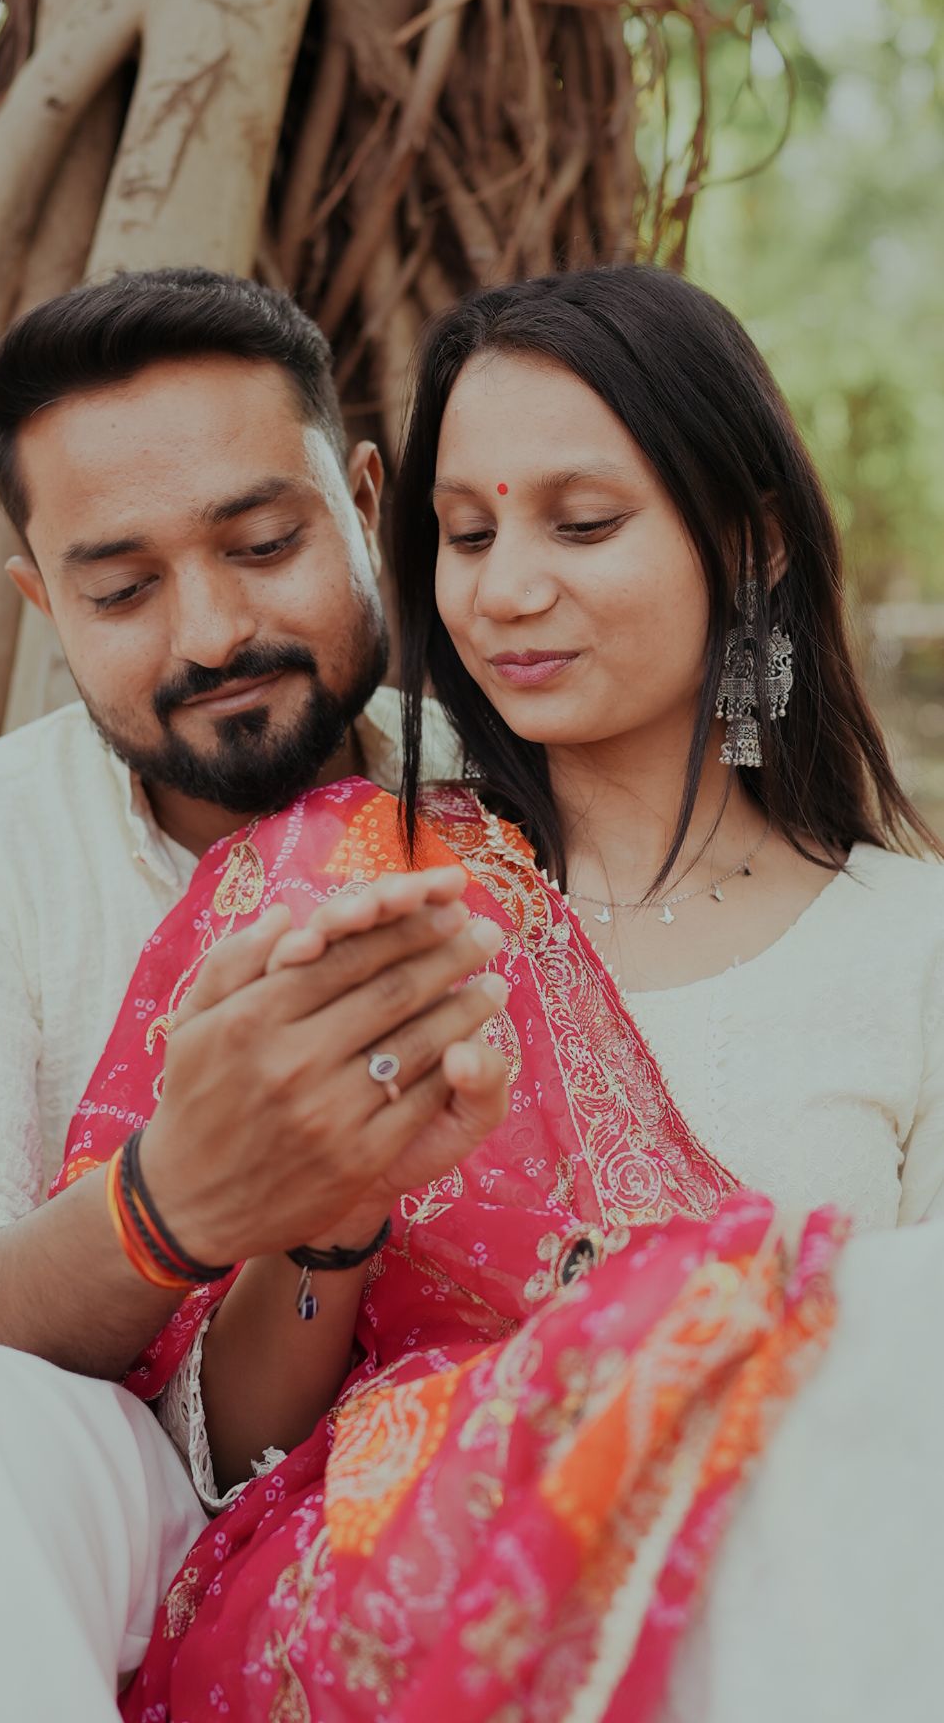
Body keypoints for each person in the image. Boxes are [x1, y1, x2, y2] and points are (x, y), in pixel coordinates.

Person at [59, 267, 944, 1722]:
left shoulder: (913, 950)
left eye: (581, 524)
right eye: (466, 534)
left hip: (809, 1626)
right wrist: (336, 1218)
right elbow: (224, 1468)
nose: (504, 589)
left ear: (748, 541)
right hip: (397, 1628)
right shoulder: (363, 895)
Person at [0, 267, 510, 1722]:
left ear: (361, 500)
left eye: (264, 544)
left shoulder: (509, 792)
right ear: (42, 602)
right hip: (119, 1523)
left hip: (500, 1472)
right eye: (122, 588)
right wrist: (175, 1206)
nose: (211, 632)